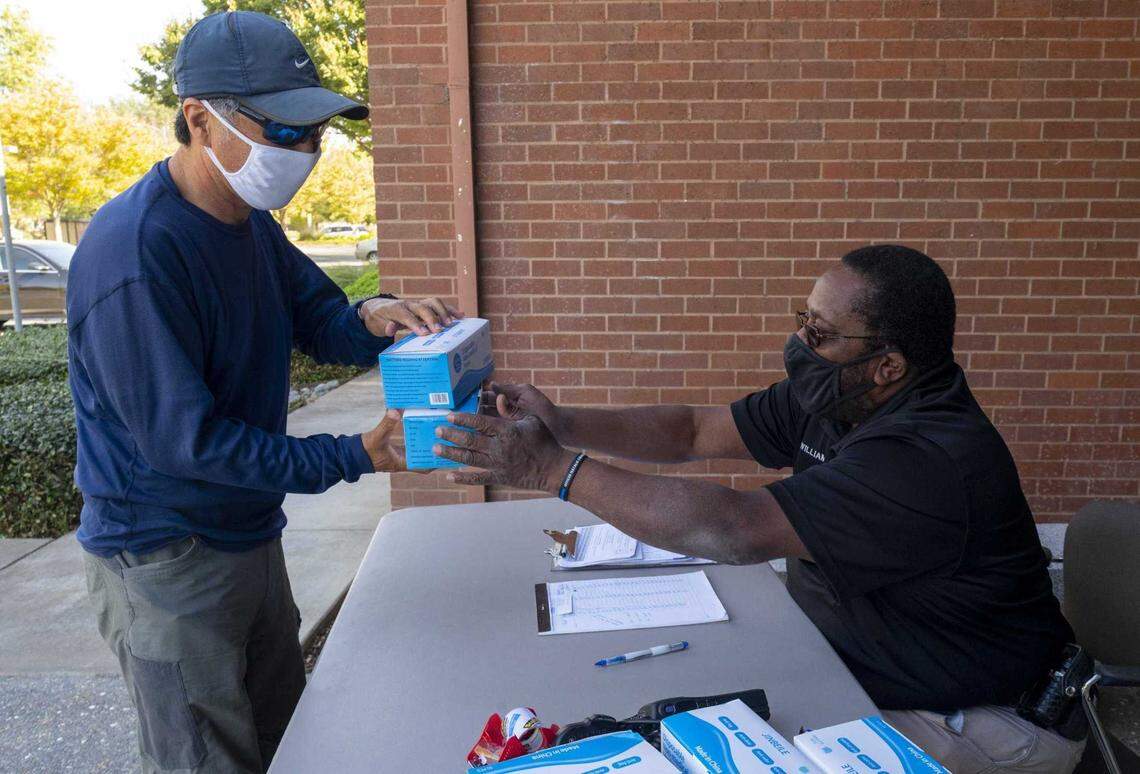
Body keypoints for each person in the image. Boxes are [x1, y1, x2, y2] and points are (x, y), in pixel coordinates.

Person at [436, 245, 1085, 774]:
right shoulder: (841, 392)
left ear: (887, 365)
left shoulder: (926, 456)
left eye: (820, 333)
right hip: (865, 672)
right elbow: (693, 431)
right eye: (802, 319)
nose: (799, 342)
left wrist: (551, 469)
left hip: (987, 719)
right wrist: (565, 422)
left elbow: (735, 528)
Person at [68, 11, 458, 773]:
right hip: (166, 557)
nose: (303, 151)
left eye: (313, 133)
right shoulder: (136, 255)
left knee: (285, 742)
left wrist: (379, 318)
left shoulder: (249, 222)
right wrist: (358, 454)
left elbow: (316, 317)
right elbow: (188, 444)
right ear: (198, 119)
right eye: (281, 130)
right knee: (206, 759)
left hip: (246, 533)